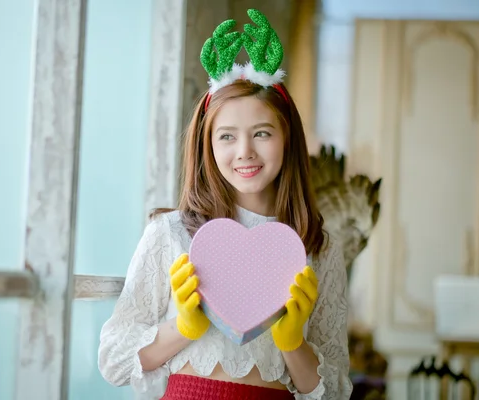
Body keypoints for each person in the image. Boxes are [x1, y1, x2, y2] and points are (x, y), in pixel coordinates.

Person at [98, 9, 352, 400]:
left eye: (262, 133)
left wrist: (292, 342)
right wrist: (182, 327)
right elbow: (113, 359)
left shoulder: (318, 248)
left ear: (288, 139)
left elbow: (334, 391)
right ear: (207, 145)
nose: (245, 151)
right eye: (227, 136)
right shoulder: (171, 234)